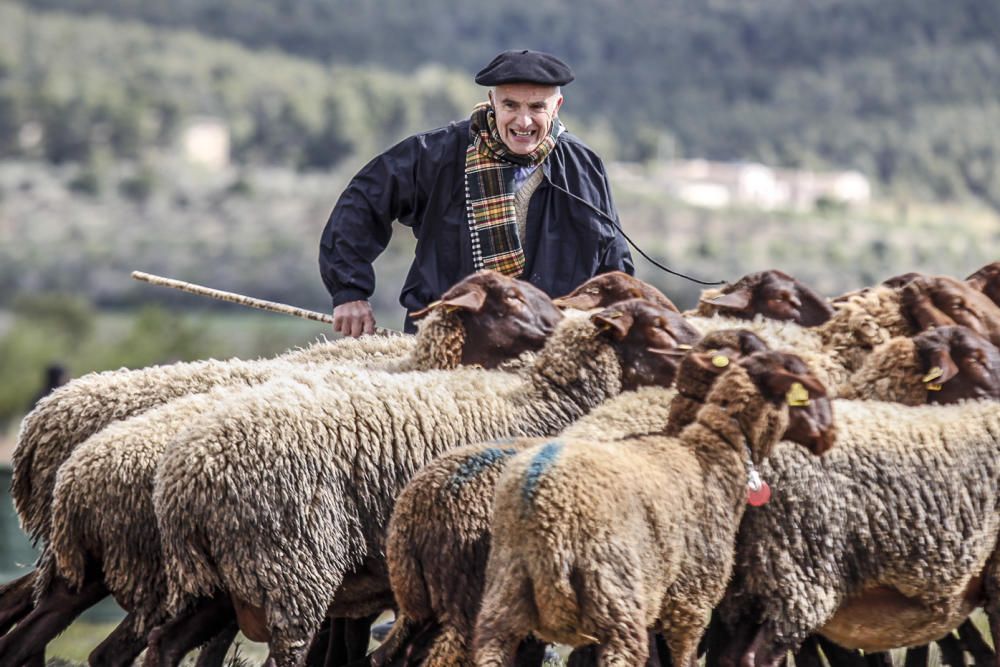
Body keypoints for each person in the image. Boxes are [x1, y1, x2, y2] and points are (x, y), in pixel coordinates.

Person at [319, 49, 634, 337]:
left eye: (537, 107)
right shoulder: (435, 153)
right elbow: (362, 202)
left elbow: (612, 260)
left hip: (545, 345)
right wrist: (350, 292)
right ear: (492, 101)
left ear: (557, 106)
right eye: (510, 105)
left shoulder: (583, 165)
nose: (523, 121)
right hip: (443, 339)